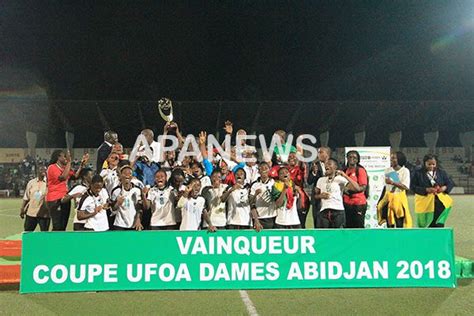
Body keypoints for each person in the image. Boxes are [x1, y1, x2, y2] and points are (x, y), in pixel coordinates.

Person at [46, 150, 88, 231]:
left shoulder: (65, 168)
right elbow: (63, 177)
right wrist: (69, 162)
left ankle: (61, 242)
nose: (66, 158)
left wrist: (82, 165)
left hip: (65, 199)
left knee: (63, 225)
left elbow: (75, 176)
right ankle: (53, 242)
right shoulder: (52, 167)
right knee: (57, 225)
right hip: (54, 199)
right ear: (58, 157)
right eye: (64, 156)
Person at [314, 158, 361, 228]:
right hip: (324, 211)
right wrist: (320, 196)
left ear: (335, 167)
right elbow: (315, 196)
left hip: (338, 211)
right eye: (326, 165)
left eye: (329, 164)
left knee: (338, 236)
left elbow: (357, 188)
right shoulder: (320, 180)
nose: (327, 166)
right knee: (324, 236)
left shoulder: (340, 179)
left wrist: (344, 175)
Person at [411, 154, 454, 228]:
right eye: (429, 164)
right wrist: (426, 190)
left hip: (439, 203)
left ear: (436, 163)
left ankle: (438, 237)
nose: (431, 166)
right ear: (424, 163)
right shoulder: (418, 173)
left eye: (433, 164)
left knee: (438, 223)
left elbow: (450, 183)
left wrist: (444, 188)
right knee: (425, 224)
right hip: (424, 203)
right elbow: (412, 186)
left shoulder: (441, 172)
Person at [377, 152, 412, 228]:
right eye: (391, 158)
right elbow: (386, 186)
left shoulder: (405, 171)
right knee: (389, 221)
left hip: (399, 198)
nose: (391, 160)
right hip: (389, 197)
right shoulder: (387, 170)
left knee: (399, 221)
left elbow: (405, 187)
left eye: (394, 158)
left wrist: (393, 182)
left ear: (399, 159)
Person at [110, 165, 146, 231]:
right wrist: (117, 203)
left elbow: (140, 208)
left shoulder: (137, 190)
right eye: (125, 173)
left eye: (129, 173)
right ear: (120, 176)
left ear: (132, 176)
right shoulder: (115, 191)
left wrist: (138, 219)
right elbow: (112, 209)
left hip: (134, 224)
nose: (127, 175)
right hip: (120, 224)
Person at [342, 150, 368, 228]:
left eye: (354, 157)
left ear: (357, 160)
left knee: (358, 226)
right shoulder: (344, 171)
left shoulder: (360, 170)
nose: (352, 159)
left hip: (358, 203)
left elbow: (362, 188)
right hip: (346, 203)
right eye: (350, 157)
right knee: (348, 227)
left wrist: (349, 190)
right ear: (347, 158)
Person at [20, 165, 50, 232]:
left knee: (44, 234)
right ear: (37, 171)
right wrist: (22, 208)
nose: (44, 171)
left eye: (45, 170)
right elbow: (26, 197)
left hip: (44, 213)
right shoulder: (31, 183)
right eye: (41, 169)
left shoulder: (49, 183)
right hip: (31, 212)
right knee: (28, 232)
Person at [307, 146, 331, 228]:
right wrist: (314, 172)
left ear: (327, 154)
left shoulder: (334, 164)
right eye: (318, 152)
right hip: (318, 197)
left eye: (321, 152)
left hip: (331, 196)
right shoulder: (314, 165)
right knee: (317, 219)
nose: (318, 154)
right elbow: (309, 181)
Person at [250, 162, 276, 230]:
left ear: (269, 170)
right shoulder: (254, 185)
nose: (264, 170)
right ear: (259, 171)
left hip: (272, 217)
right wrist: (255, 194)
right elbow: (251, 203)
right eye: (262, 168)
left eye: (266, 168)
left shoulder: (274, 183)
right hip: (260, 218)